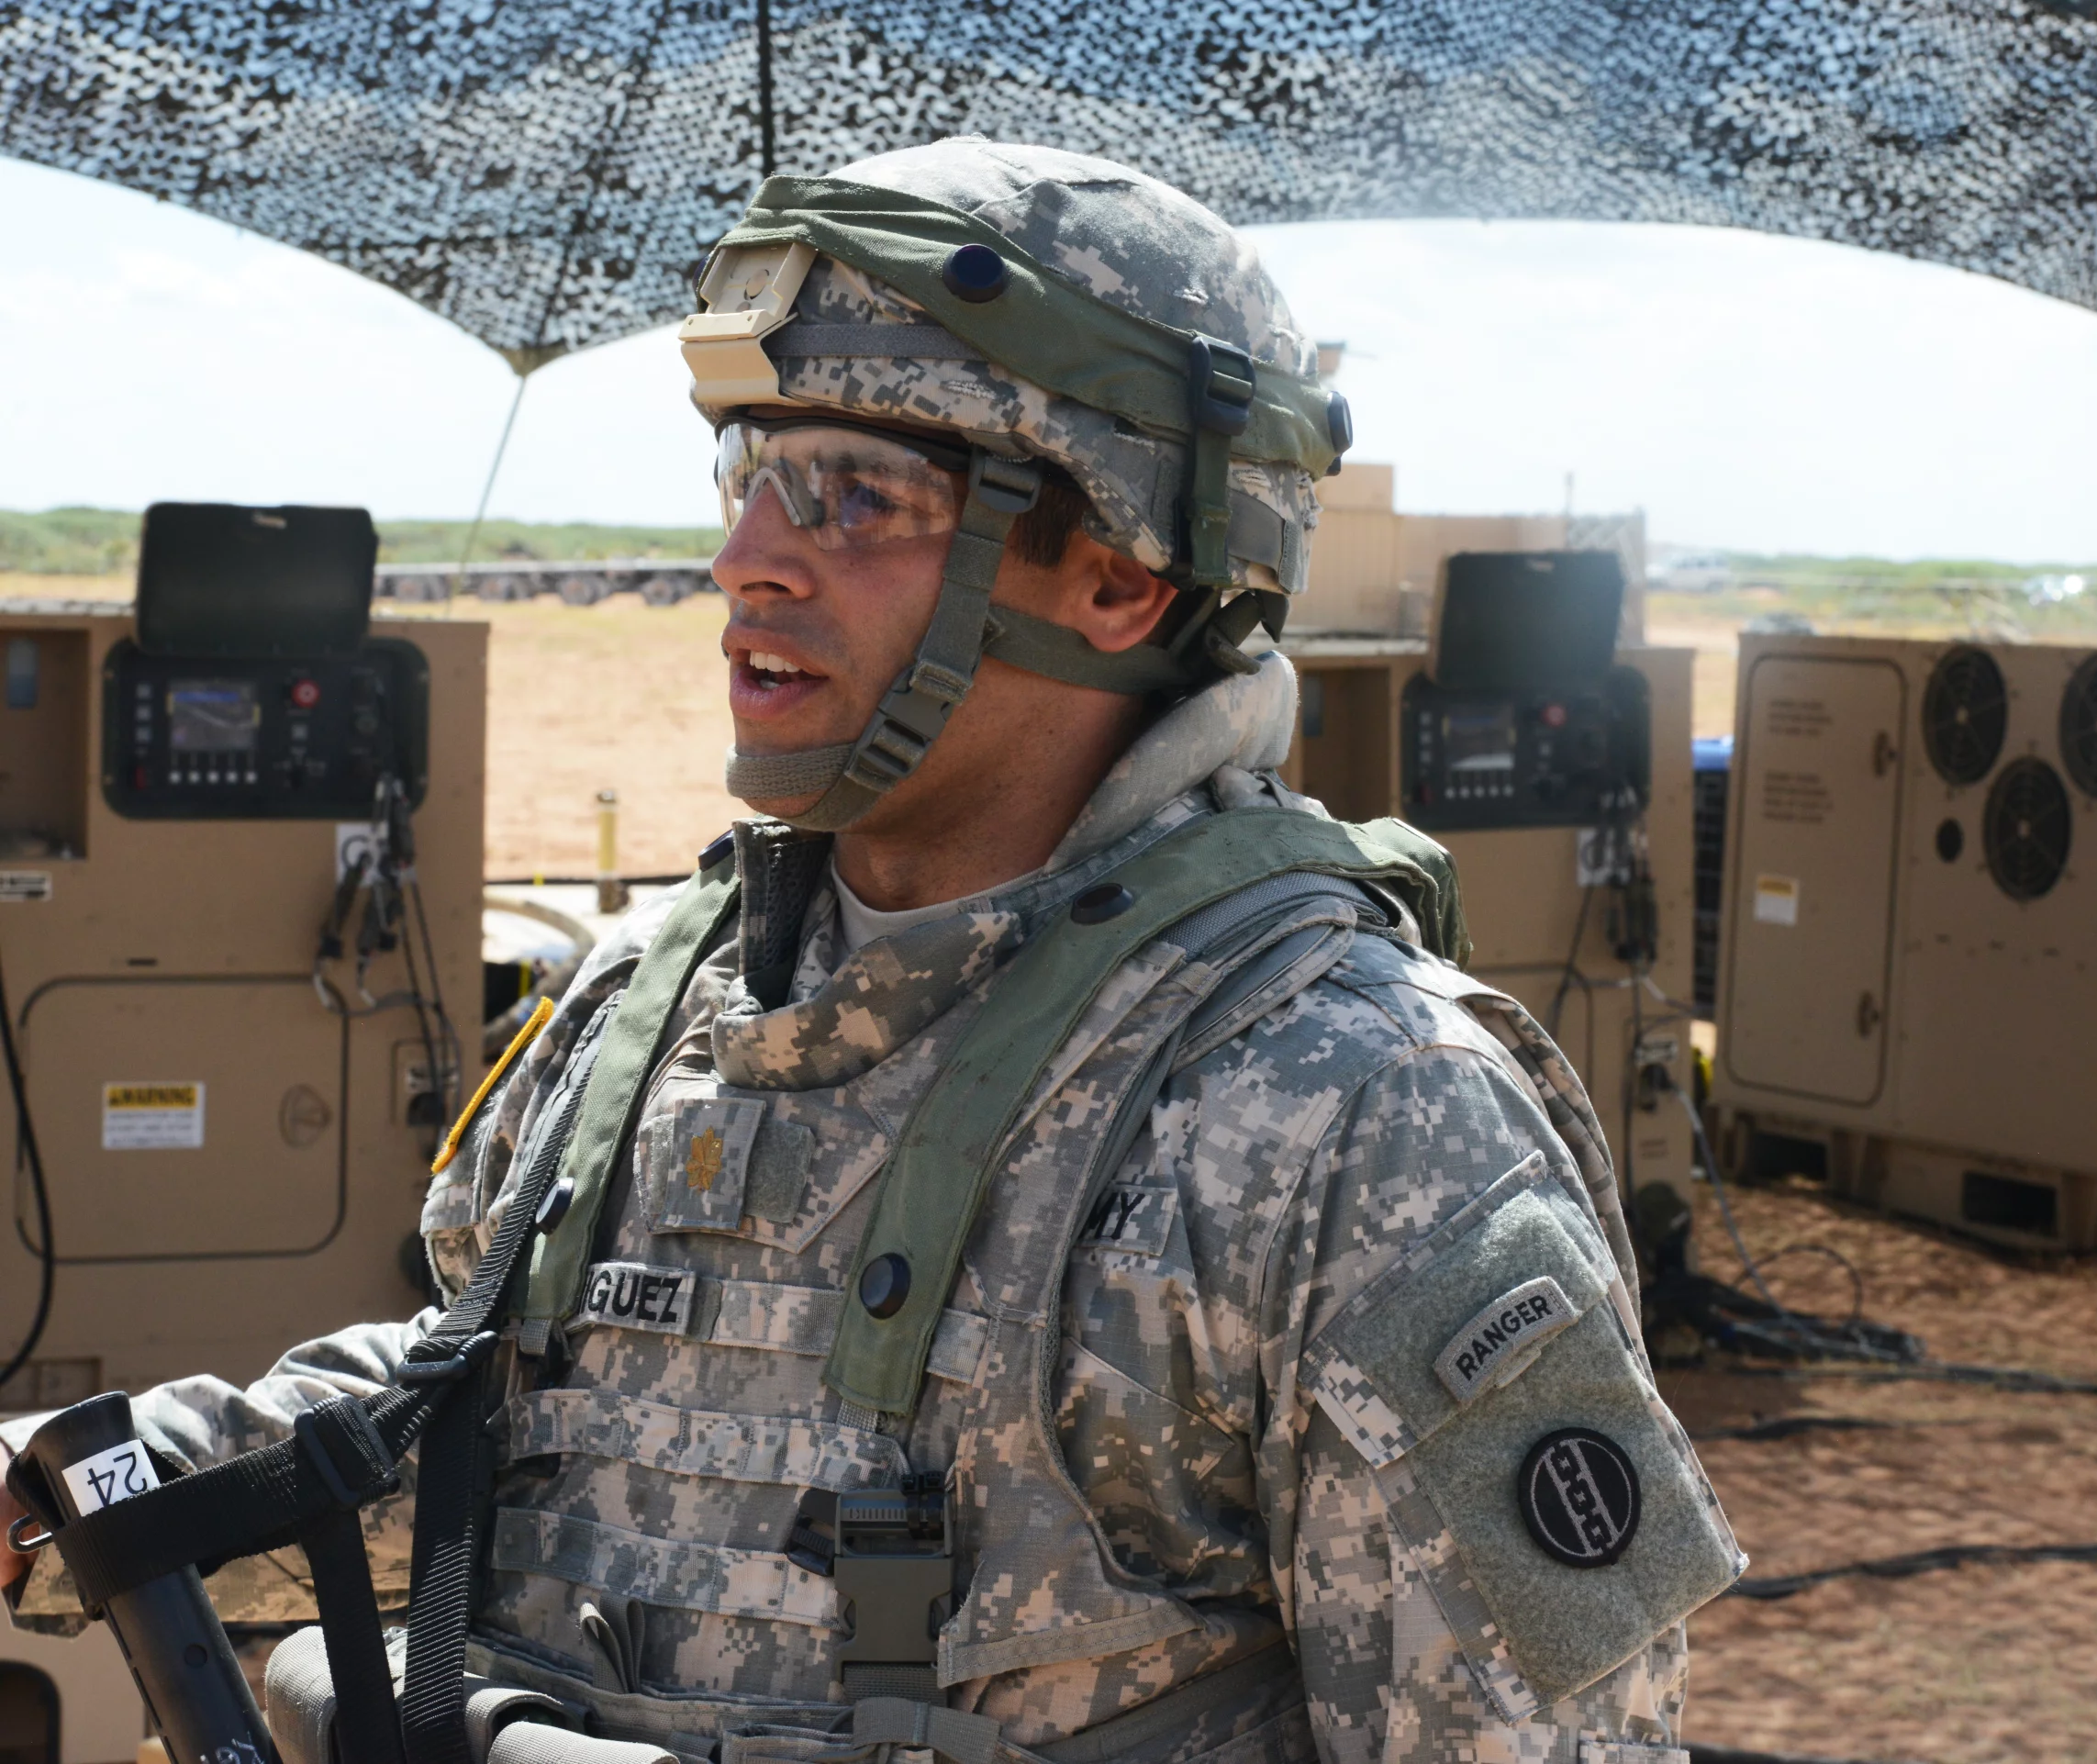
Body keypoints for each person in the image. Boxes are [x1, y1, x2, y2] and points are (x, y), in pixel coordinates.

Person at [3, 140, 1739, 1763]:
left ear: (1122, 573)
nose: (743, 559)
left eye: (860, 492)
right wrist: (95, 1471)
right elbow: (488, 1382)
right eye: (755, 473)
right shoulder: (660, 999)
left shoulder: (1356, 1112)